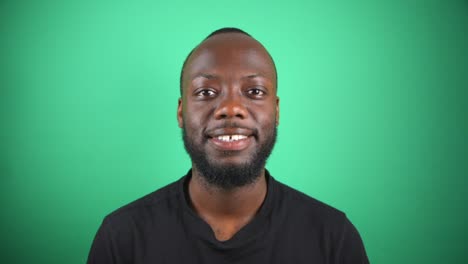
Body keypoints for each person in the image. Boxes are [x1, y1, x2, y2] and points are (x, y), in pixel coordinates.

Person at [87, 27, 369, 264]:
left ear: (277, 111)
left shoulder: (334, 238)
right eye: (206, 92)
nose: (231, 108)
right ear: (181, 112)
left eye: (254, 91)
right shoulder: (121, 239)